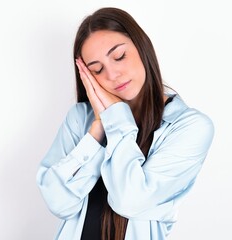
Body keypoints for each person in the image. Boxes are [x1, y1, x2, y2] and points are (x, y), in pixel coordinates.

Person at [36, 7, 214, 240]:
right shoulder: (80, 118)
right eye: (97, 70)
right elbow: (59, 203)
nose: (112, 74)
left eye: (119, 57)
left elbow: (128, 200)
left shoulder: (190, 127)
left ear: (142, 47)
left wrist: (117, 118)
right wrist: (97, 131)